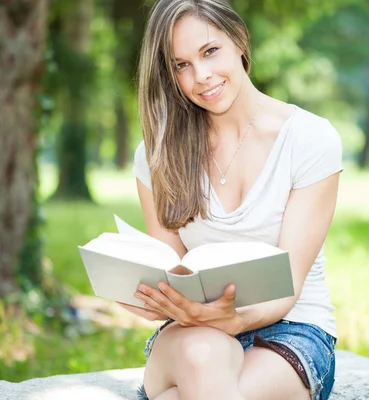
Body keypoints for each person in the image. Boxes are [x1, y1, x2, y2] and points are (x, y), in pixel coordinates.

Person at [123, 0, 343, 399]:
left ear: (239, 40)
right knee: (202, 355)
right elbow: (172, 271)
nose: (201, 76)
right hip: (192, 333)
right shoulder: (157, 155)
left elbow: (285, 289)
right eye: (181, 65)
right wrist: (157, 301)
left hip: (290, 329)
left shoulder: (309, 139)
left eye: (210, 52)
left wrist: (233, 318)